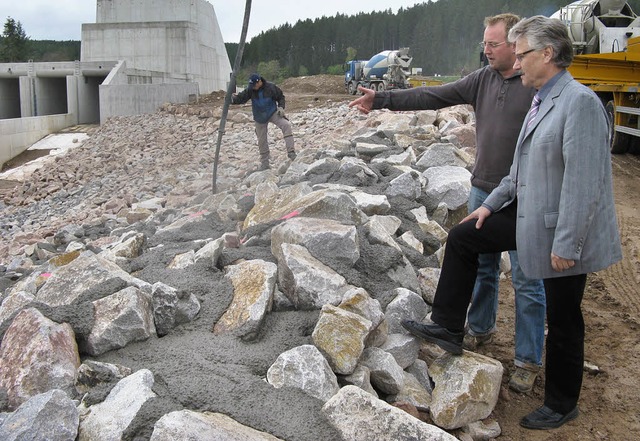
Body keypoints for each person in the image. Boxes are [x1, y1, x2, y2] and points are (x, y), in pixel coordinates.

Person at [400, 15, 622, 430]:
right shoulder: (540, 95)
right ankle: (448, 325)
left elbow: (584, 184)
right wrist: (490, 206)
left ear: (547, 54)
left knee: (564, 315)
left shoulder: (580, 104)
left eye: (522, 55)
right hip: (531, 213)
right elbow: (519, 170)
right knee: (466, 236)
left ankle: (561, 401)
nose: (516, 63)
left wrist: (567, 246)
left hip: (563, 230)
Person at [348, 13, 546, 393]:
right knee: (483, 268)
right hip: (483, 189)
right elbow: (432, 94)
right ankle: (481, 330)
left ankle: (528, 359)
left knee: (527, 279)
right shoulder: (481, 80)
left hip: (527, 195)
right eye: (484, 44)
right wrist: (382, 100)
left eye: (494, 44)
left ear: (517, 45)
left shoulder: (536, 84)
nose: (486, 50)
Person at [231, 73, 296, 170]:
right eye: (251, 86)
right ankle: (265, 163)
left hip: (272, 113)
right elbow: (241, 98)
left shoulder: (271, 87)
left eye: (254, 85)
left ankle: (291, 153)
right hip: (259, 117)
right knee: (262, 140)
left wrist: (281, 107)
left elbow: (281, 97)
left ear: (259, 82)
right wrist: (232, 99)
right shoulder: (251, 90)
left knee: (286, 125)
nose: (253, 87)